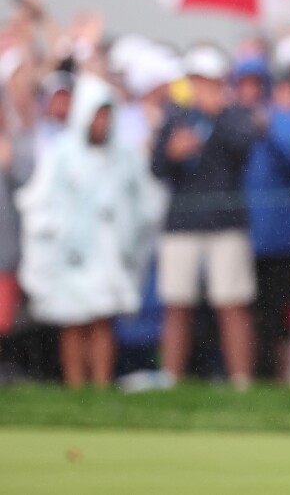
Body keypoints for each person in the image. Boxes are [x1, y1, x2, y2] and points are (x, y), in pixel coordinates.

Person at [17, 75, 163, 387]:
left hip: (108, 251)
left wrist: (126, 235)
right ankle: (75, 389)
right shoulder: (61, 153)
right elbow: (39, 201)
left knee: (101, 320)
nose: (102, 121)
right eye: (96, 113)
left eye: (107, 114)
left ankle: (100, 388)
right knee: (72, 321)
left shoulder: (124, 155)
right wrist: (55, 235)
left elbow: (144, 202)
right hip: (70, 254)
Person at [150, 46, 259, 388]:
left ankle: (241, 381)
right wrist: (171, 153)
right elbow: (156, 168)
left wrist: (218, 116)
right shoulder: (176, 117)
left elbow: (243, 148)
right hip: (182, 222)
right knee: (177, 304)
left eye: (205, 80)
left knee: (232, 303)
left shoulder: (234, 115)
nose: (200, 87)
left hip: (226, 223)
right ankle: (171, 379)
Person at [238, 62, 290, 380]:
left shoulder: (288, 122)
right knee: (251, 311)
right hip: (252, 234)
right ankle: (252, 374)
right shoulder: (251, 119)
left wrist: (275, 125)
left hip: (285, 238)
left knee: (280, 314)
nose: (289, 96)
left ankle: (278, 376)